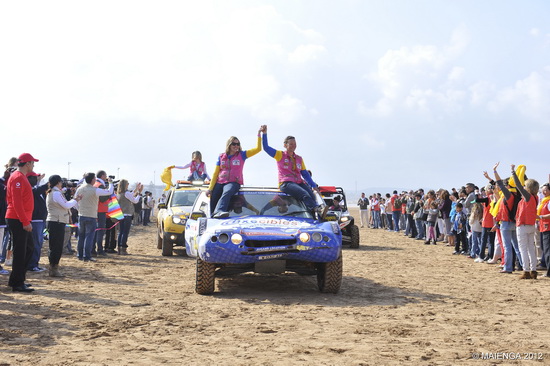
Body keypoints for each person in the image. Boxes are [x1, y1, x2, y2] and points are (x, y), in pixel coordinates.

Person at [260, 125, 326, 219]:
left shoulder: (299, 158)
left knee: (311, 194)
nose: (293, 146)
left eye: (295, 144)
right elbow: (266, 148)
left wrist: (314, 186)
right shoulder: (280, 155)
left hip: (298, 182)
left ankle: (316, 215)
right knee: (304, 194)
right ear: (285, 145)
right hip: (286, 183)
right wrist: (265, 133)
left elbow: (305, 174)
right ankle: (316, 209)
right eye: (291, 144)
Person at [207, 130, 261, 218]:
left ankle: (220, 211)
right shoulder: (221, 156)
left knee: (227, 192)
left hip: (234, 182)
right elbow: (215, 173)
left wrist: (259, 134)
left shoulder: (242, 155)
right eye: (234, 144)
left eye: (238, 144)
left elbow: (258, 149)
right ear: (229, 145)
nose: (236, 146)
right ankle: (212, 216)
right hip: (220, 181)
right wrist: (210, 188)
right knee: (214, 194)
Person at [5, 153, 39, 292]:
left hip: (20, 218)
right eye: (32, 163)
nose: (34, 165)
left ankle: (18, 279)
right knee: (21, 251)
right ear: (27, 164)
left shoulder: (21, 177)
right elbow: (17, 202)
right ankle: (17, 283)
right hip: (17, 218)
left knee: (28, 248)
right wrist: (25, 221)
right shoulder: (18, 178)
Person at [45, 175, 80, 277]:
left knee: (54, 246)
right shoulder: (56, 193)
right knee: (56, 247)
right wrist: (76, 200)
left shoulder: (53, 192)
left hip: (55, 221)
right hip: (57, 221)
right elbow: (66, 205)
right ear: (58, 182)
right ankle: (53, 268)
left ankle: (53, 267)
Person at [75, 173, 114, 262]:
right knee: (89, 236)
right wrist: (111, 183)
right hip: (91, 215)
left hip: (82, 215)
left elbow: (75, 201)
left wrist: (79, 210)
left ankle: (80, 255)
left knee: (81, 236)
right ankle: (87, 256)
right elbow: (109, 192)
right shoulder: (95, 190)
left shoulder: (79, 189)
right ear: (92, 180)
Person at [492, 163, 522, 274]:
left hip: (506, 223)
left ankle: (508, 267)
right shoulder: (518, 195)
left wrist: (495, 171)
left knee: (507, 246)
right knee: (517, 247)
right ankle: (523, 266)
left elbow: (499, 182)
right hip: (514, 223)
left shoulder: (508, 195)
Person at [511, 164, 539, 279]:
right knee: (531, 249)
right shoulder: (535, 198)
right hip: (531, 225)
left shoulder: (528, 197)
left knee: (523, 248)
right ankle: (533, 270)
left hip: (523, 225)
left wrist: (513, 172)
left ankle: (526, 271)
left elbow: (518, 185)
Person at [27, 171, 48, 272]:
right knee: (36, 243)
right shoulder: (30, 189)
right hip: (35, 220)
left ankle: (35, 263)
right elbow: (36, 190)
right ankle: (32, 265)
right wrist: (48, 184)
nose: (36, 179)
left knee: (38, 243)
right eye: (34, 178)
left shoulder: (37, 189)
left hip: (40, 219)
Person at [116, 179, 143, 254]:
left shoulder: (120, 193)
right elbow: (135, 200)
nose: (128, 184)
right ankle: (123, 248)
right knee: (125, 232)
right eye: (127, 183)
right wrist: (139, 193)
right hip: (127, 214)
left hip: (121, 214)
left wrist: (136, 189)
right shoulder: (126, 193)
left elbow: (130, 195)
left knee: (121, 232)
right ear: (125, 185)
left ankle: (119, 248)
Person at [92, 170, 110, 256]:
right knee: (100, 231)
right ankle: (100, 249)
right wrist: (108, 193)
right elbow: (102, 199)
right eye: (105, 175)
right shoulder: (100, 185)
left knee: (95, 230)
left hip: (96, 210)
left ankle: (93, 248)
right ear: (103, 176)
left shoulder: (95, 183)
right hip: (101, 210)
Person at [537, 183, 550, 278]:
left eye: (546, 190)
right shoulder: (544, 201)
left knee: (547, 250)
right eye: (543, 190)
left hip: (548, 227)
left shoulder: (548, 201)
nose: (544, 192)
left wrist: (540, 217)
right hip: (543, 227)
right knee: (544, 248)